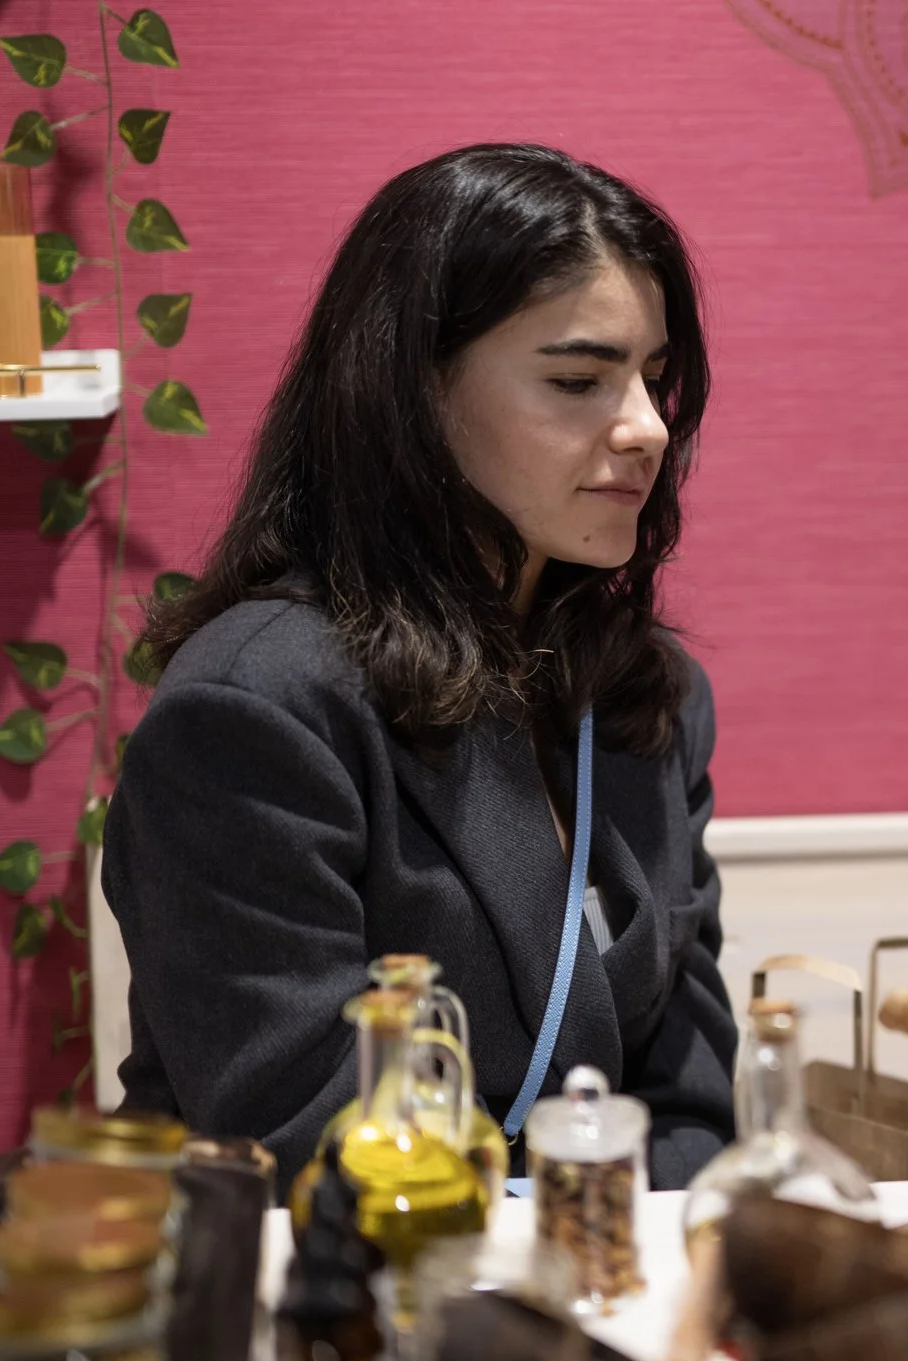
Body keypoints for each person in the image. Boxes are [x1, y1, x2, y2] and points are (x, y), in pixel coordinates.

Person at [104, 144, 734, 1187]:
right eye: (578, 380)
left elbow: (692, 1108)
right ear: (414, 391)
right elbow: (303, 1139)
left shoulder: (648, 694)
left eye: (654, 379)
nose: (646, 428)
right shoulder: (254, 710)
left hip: (606, 1265)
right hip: (330, 1272)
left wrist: (622, 1261)